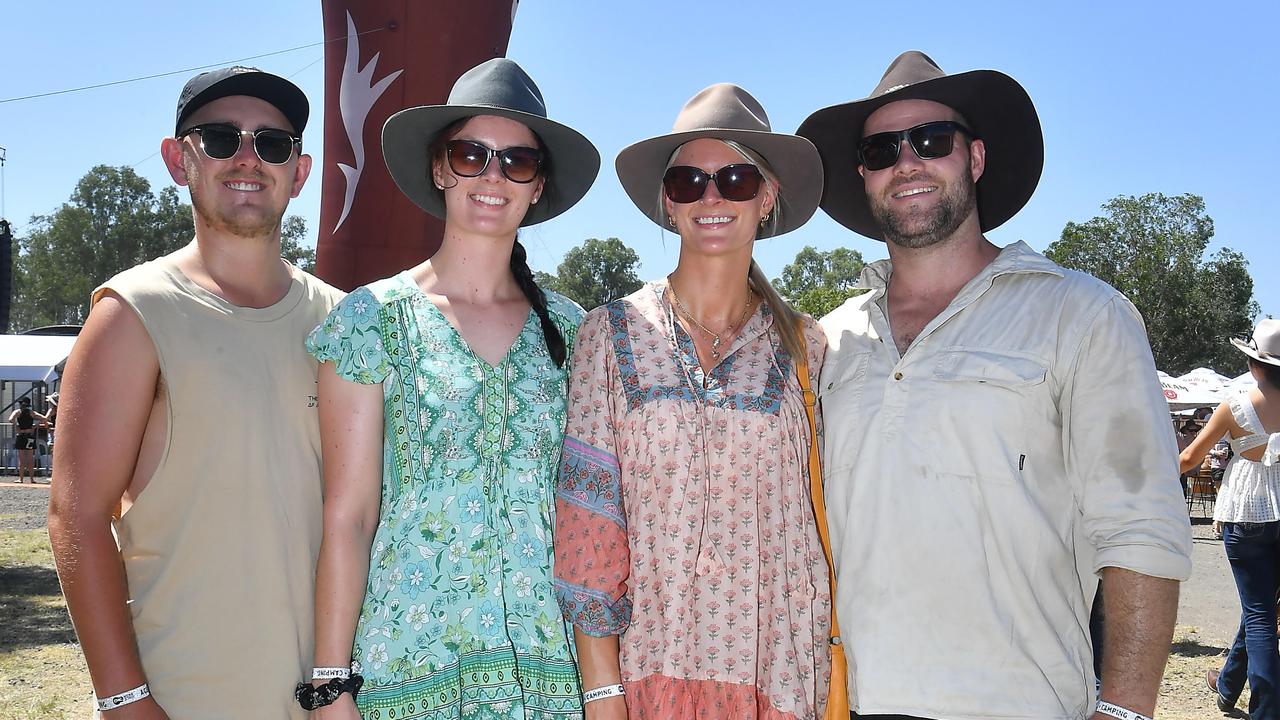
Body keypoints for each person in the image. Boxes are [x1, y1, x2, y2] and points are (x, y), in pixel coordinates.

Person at [797, 51, 1192, 720]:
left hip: (1019, 703)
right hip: (841, 701)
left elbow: (1142, 527)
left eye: (932, 140)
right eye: (882, 148)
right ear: (864, 174)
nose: (908, 162)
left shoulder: (1082, 314)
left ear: (974, 158)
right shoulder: (824, 341)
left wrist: (1125, 710)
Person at [304, 57, 599, 719]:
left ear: (537, 184)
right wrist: (330, 686)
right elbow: (349, 517)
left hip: (548, 678)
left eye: (516, 162)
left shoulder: (577, 332)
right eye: (471, 155)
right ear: (440, 168)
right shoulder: (371, 320)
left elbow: (591, 523)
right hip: (409, 669)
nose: (492, 176)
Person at [47, 66, 344, 718]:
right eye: (218, 139)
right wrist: (125, 701)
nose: (247, 158)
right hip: (186, 698)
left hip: (335, 704)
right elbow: (77, 517)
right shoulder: (131, 314)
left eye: (273, 143)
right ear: (179, 160)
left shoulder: (348, 325)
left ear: (301, 171)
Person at [554, 84, 831, 720]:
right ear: (668, 203)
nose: (711, 196)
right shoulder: (610, 333)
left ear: (766, 198)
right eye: (689, 181)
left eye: (735, 178)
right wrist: (602, 695)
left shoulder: (809, 348)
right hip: (649, 680)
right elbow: (587, 526)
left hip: (782, 685)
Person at [1180, 319, 1280, 718]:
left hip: (1247, 515)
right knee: (1259, 604)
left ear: (1256, 365)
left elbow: (1190, 459)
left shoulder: (1236, 405)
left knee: (1258, 612)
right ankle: (1227, 684)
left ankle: (1267, 709)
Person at [8, 397, 47, 484]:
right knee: (30, 459)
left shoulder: (17, 412)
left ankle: (21, 479)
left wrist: (17, 425)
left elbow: (10, 419)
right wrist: (35, 426)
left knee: (22, 459)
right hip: (29, 435)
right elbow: (44, 418)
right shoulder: (31, 412)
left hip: (21, 435)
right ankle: (31, 479)